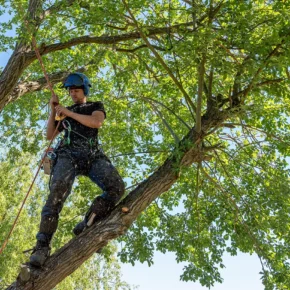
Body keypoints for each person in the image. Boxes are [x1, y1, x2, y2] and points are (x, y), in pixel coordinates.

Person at [30, 72, 125, 267]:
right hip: (68, 154)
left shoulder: (94, 106)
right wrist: (53, 111)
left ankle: (88, 222)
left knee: (117, 187)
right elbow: (50, 135)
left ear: (85, 89)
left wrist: (69, 113)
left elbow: (96, 122)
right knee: (57, 190)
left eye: (76, 90)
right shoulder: (64, 112)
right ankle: (42, 246)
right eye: (70, 91)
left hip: (92, 155)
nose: (72, 93)